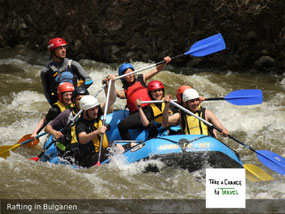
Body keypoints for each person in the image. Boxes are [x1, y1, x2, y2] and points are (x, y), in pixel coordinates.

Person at [117, 56, 171, 140]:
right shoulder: (125, 91)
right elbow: (116, 94)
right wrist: (110, 83)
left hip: (150, 110)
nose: (130, 75)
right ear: (123, 77)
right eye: (127, 74)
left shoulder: (141, 79)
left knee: (121, 125)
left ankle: (129, 145)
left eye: (131, 73)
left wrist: (164, 62)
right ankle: (130, 144)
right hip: (138, 113)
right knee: (121, 126)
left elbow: (156, 70)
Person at [75, 76, 123, 168]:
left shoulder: (95, 114)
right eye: (92, 109)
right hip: (90, 158)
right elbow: (82, 139)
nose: (96, 111)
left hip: (101, 151)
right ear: (85, 111)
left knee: (128, 145)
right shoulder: (81, 124)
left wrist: (111, 85)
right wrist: (97, 131)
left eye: (96, 108)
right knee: (118, 148)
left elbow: (111, 100)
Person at [44, 86, 89, 164]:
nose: (82, 101)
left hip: (87, 146)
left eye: (84, 99)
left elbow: (109, 105)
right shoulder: (67, 114)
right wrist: (54, 132)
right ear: (74, 100)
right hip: (71, 148)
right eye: (79, 99)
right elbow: (47, 128)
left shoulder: (92, 111)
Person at [41, 37, 93, 105]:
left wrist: (76, 92)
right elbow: (47, 92)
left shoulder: (73, 64)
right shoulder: (46, 71)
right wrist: (55, 106)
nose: (63, 50)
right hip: (60, 103)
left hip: (76, 101)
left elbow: (89, 80)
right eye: (60, 48)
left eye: (64, 47)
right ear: (53, 51)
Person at [162, 87, 229, 138]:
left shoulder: (207, 113)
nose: (195, 103)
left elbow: (222, 128)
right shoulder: (180, 116)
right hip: (190, 146)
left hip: (207, 145)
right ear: (185, 103)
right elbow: (165, 122)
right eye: (192, 101)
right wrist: (167, 105)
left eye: (197, 100)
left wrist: (224, 131)